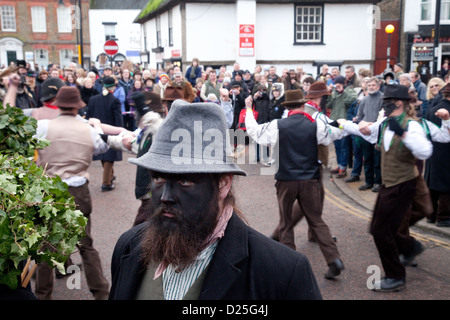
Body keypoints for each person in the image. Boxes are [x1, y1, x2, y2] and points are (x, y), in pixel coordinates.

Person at [109, 100, 322, 300]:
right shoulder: (128, 247)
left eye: (184, 181)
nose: (165, 197)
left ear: (223, 184)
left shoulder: (283, 273)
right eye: (158, 177)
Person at [339, 84, 450, 292]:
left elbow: (426, 151)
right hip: (389, 184)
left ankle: (395, 275)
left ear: (399, 103)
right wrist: (343, 124)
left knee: (382, 231)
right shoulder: (385, 123)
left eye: (387, 101)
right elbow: (367, 132)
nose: (383, 104)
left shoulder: (413, 125)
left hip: (403, 184)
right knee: (379, 229)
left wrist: (405, 134)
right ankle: (410, 247)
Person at [245, 89, 345, 280]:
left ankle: (288, 266)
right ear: (303, 104)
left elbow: (255, 132)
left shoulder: (277, 125)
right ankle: (334, 259)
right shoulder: (315, 125)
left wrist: (249, 109)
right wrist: (341, 126)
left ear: (287, 107)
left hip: (286, 179)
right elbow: (332, 135)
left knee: (286, 222)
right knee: (316, 220)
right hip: (310, 180)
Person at [34, 86, 110, 300]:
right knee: (85, 245)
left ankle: (43, 295)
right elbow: (102, 147)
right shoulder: (87, 129)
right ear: (78, 106)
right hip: (78, 190)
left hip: (51, 190)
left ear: (57, 104)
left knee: (46, 247)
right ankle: (101, 294)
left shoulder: (43, 127)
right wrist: (94, 125)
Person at [104, 91, 165, 226]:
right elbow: (132, 145)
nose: (134, 115)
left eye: (137, 112)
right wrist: (102, 138)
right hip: (147, 197)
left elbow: (158, 124)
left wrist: (142, 107)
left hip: (154, 196)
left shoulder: (161, 131)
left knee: (137, 235)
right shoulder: (147, 133)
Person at [86, 76, 123, 191]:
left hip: (96, 130)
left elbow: (88, 117)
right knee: (109, 157)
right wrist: (120, 132)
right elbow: (118, 120)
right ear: (113, 87)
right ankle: (106, 182)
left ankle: (110, 176)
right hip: (110, 132)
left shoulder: (93, 99)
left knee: (103, 155)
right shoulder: (115, 101)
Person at [424, 83, 450, 227]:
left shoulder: (431, 109)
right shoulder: (447, 110)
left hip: (433, 151)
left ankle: (431, 216)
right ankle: (443, 217)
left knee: (432, 182)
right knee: (446, 185)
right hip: (446, 151)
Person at [354, 77, 384, 192]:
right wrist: (362, 125)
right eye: (369, 85)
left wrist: (373, 126)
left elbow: (384, 117)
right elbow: (359, 117)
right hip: (365, 134)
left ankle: (378, 182)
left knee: (377, 160)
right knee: (367, 159)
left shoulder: (382, 99)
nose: (371, 87)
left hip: (377, 134)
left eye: (373, 85)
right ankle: (368, 181)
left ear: (378, 86)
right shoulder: (364, 100)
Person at [326, 76, 357, 178]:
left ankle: (343, 168)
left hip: (343, 122)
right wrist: (329, 93)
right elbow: (328, 105)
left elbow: (352, 101)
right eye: (336, 83)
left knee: (343, 146)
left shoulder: (350, 91)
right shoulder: (334, 92)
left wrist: (343, 91)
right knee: (337, 146)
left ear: (344, 83)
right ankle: (339, 165)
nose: (338, 85)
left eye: (339, 83)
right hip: (334, 121)